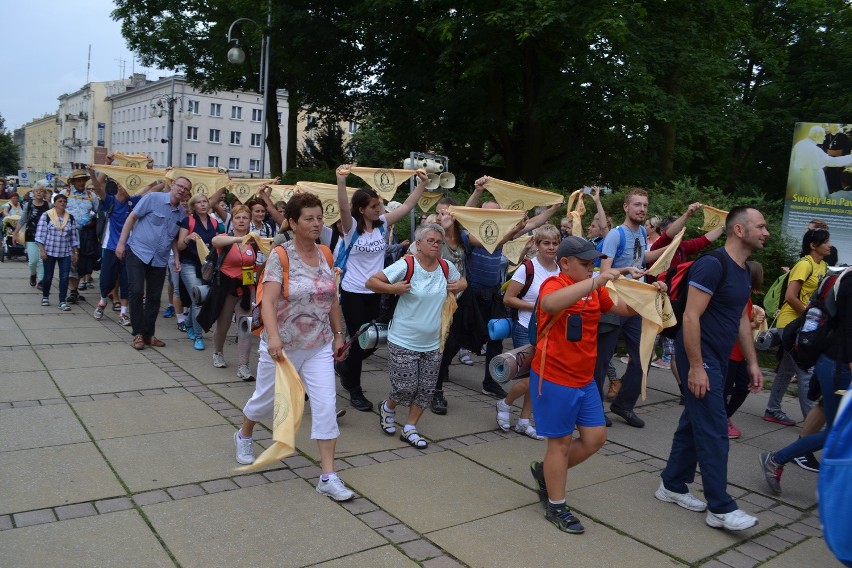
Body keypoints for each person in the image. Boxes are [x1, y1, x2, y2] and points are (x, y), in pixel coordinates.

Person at [527, 237, 656, 534]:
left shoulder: (593, 289)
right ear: (565, 263)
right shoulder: (554, 284)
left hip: (584, 379)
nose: (591, 268)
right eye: (585, 264)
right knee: (558, 444)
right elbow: (548, 304)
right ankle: (556, 506)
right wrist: (596, 281)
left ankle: (548, 473)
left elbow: (622, 309)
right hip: (554, 378)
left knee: (595, 438)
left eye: (592, 264)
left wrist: (649, 296)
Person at [234, 192, 354, 501]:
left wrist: (338, 334)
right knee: (266, 402)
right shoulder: (281, 255)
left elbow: (332, 299)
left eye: (319, 218)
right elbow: (269, 301)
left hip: (318, 344)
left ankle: (328, 476)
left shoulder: (326, 254)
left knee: (326, 405)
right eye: (309, 219)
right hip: (283, 346)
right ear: (292, 223)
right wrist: (273, 337)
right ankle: (244, 433)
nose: (316, 223)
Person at [656, 206, 768, 532]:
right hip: (701, 358)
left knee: (694, 425)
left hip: (718, 359)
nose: (766, 232)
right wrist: (695, 368)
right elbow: (690, 318)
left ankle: (672, 485)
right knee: (715, 431)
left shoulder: (744, 271)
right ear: (739, 230)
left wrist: (752, 362)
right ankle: (720, 507)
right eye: (760, 226)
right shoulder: (711, 265)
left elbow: (740, 321)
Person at [434, 176, 561, 410]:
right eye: (487, 213)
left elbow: (532, 223)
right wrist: (478, 191)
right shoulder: (468, 236)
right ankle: (438, 381)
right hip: (471, 295)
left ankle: (490, 382)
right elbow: (470, 223)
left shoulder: (503, 232)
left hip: (492, 295)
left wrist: (554, 207)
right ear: (479, 215)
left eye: (496, 213)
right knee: (455, 340)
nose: (492, 217)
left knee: (496, 340)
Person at [333, 164, 428, 411]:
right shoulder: (351, 227)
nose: (380, 209)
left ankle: (344, 365)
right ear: (362, 209)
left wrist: (422, 184)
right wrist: (341, 181)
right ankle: (354, 388)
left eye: (380, 205)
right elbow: (343, 206)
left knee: (370, 342)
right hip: (353, 291)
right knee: (360, 338)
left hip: (376, 290)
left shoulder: (383, 224)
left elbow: (407, 207)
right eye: (374, 206)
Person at [366, 223, 465, 448]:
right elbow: (371, 282)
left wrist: (458, 285)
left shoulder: (446, 266)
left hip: (434, 341)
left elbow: (463, 282)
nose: (436, 245)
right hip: (403, 338)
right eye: (430, 240)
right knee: (405, 387)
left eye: (439, 241)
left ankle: (410, 427)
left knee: (426, 389)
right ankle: (388, 407)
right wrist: (395, 289)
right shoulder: (407, 264)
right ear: (418, 244)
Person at [759, 268, 852, 495]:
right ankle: (777, 459)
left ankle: (826, 474)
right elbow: (849, 335)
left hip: (834, 363)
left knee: (830, 418)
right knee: (840, 433)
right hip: (839, 365)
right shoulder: (850, 281)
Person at [595, 188, 669, 428]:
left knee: (643, 356)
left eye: (645, 205)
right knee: (602, 359)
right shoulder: (616, 235)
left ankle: (623, 405)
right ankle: (593, 409)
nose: (642, 209)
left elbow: (642, 258)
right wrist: (626, 271)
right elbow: (604, 271)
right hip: (614, 303)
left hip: (637, 305)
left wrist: (670, 249)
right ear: (626, 207)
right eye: (637, 204)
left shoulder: (640, 235)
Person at [764, 228, 831, 428]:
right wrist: (809, 317)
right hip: (790, 325)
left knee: (786, 370)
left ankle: (772, 409)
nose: (829, 245)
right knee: (805, 371)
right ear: (813, 245)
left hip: (800, 325)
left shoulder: (823, 266)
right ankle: (811, 425)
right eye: (826, 241)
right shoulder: (804, 264)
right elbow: (790, 297)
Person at [500, 224, 561, 439]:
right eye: (546, 243)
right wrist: (538, 306)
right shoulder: (528, 268)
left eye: (555, 243)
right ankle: (505, 403)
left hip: (550, 330)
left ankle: (524, 421)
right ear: (537, 244)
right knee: (531, 379)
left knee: (540, 379)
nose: (551, 247)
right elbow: (508, 298)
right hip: (526, 328)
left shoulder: (561, 269)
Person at [116, 177, 189, 350]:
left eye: (186, 189)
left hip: (160, 258)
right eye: (180, 186)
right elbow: (132, 217)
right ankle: (138, 334)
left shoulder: (181, 213)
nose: (182, 190)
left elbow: (172, 238)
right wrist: (121, 243)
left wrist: (177, 257)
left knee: (154, 298)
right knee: (136, 290)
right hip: (138, 251)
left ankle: (149, 335)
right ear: (172, 186)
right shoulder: (153, 198)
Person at [90, 172, 161, 326]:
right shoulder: (110, 201)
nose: (130, 189)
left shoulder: (132, 201)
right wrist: (92, 172)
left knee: (126, 281)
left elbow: (153, 190)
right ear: (120, 187)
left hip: (129, 249)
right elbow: (97, 187)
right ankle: (102, 302)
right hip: (110, 247)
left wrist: (160, 174)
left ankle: (123, 313)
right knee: (107, 279)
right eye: (127, 186)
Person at [206, 205, 258, 379]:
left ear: (250, 221)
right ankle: (217, 352)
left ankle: (244, 366)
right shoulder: (225, 238)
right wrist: (238, 239)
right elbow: (214, 242)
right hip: (226, 288)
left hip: (246, 288)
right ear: (232, 221)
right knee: (224, 324)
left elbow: (257, 264)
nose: (241, 221)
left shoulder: (254, 241)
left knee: (245, 327)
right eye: (238, 218)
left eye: (245, 218)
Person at [176, 192, 226, 350]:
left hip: (207, 266)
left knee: (197, 298)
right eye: (199, 202)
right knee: (199, 300)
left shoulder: (214, 222)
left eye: (205, 201)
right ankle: (199, 336)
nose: (203, 204)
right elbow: (180, 246)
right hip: (189, 263)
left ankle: (189, 325)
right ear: (193, 206)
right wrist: (188, 238)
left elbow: (219, 243)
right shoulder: (187, 221)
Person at [725, 261, 765, 439]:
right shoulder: (740, 295)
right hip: (731, 352)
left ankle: (723, 417)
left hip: (740, 353)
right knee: (725, 389)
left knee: (743, 386)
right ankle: (720, 420)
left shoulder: (746, 297)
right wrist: (754, 323)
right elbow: (734, 322)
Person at [60, 169, 99, 305]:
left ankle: (75, 288)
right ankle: (73, 291)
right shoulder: (65, 194)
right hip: (68, 234)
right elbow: (57, 211)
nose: (82, 182)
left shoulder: (91, 196)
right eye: (79, 180)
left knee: (83, 262)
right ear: (72, 181)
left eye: (83, 179)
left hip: (85, 235)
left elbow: (98, 213)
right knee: (72, 262)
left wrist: (92, 221)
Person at [35, 193, 79, 311]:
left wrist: (75, 253)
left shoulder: (70, 217)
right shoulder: (47, 215)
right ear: (54, 203)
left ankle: (62, 301)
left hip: (65, 252)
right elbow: (40, 235)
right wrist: (42, 250)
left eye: (64, 201)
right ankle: (45, 296)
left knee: (64, 277)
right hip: (50, 251)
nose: (62, 203)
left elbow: (74, 237)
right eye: (60, 201)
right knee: (48, 276)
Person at [14, 182, 50, 288]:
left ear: (44, 193)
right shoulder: (28, 205)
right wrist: (15, 234)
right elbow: (22, 220)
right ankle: (33, 274)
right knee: (32, 261)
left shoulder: (48, 205)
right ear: (33, 193)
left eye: (41, 191)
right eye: (37, 191)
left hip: (44, 237)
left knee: (42, 260)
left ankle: (41, 281)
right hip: (31, 235)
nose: (39, 192)